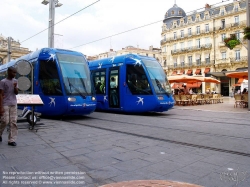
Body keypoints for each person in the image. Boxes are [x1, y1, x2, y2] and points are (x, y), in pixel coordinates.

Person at [0, 67, 19, 146]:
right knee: (5, 121)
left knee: (13, 122)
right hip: (5, 103)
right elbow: (0, 94)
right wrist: (0, 106)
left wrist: (15, 87)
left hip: (13, 103)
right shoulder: (3, 82)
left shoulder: (15, 81)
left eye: (15, 73)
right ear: (9, 72)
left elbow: (16, 93)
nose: (14, 74)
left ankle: (11, 140)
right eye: (13, 72)